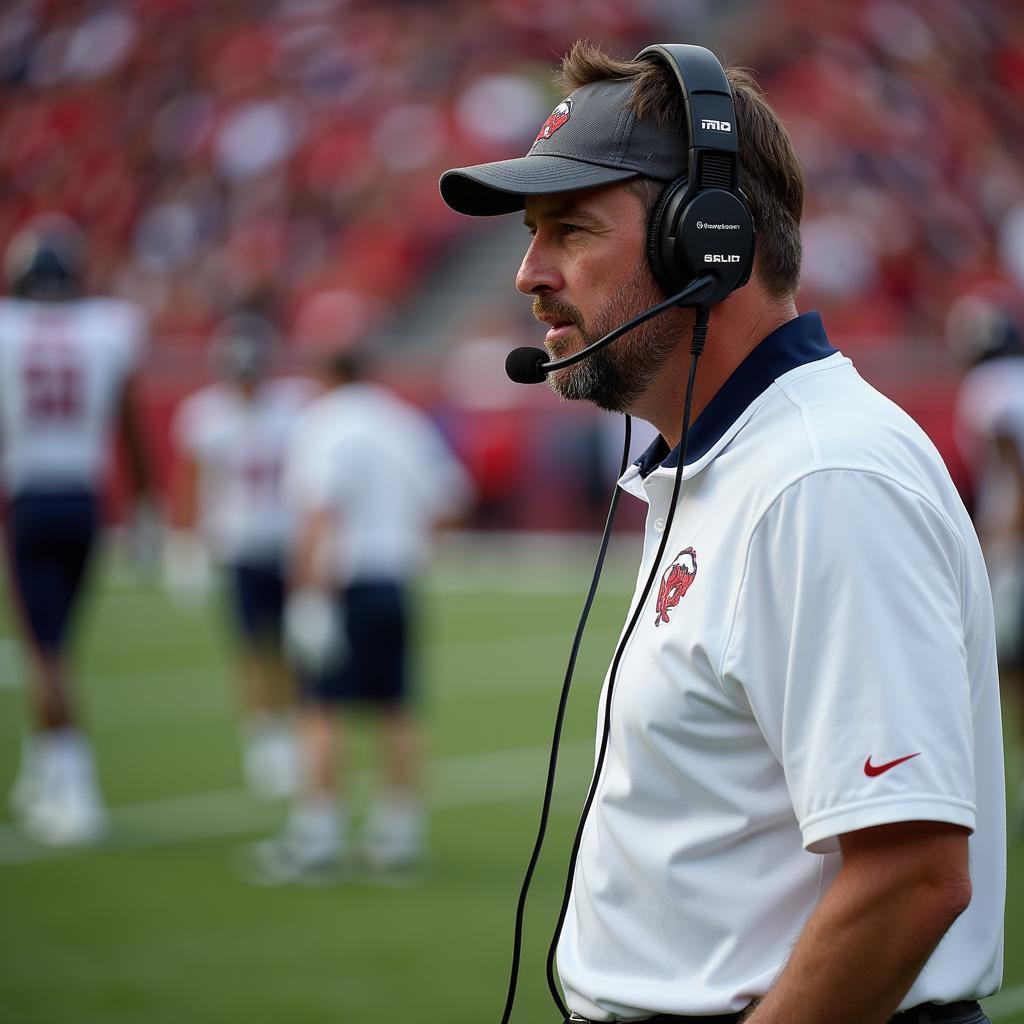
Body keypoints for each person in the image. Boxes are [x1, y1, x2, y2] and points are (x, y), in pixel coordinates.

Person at [439, 40, 1004, 1024]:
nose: (529, 274)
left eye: (569, 229)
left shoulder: (823, 479)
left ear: (706, 241)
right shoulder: (743, 461)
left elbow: (911, 876)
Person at [243, 344, 474, 884]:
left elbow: (321, 511)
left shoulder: (323, 423)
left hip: (343, 582)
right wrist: (409, 548)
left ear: (327, 374)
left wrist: (307, 595)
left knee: (320, 708)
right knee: (397, 706)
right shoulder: (402, 420)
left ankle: (318, 834)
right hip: (394, 578)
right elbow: (451, 498)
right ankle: (399, 834)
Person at [0, 214, 153, 846]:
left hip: (32, 496)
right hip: (87, 499)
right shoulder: (109, 327)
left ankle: (77, 785)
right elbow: (130, 424)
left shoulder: (7, 331)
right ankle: (41, 773)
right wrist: (147, 506)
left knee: (47, 651)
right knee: (58, 644)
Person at [167, 312, 316, 799]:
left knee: (294, 647)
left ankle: (291, 734)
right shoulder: (205, 414)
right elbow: (189, 482)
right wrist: (185, 544)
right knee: (253, 649)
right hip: (238, 546)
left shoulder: (294, 406)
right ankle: (264, 740)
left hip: (287, 544)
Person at [948, 288, 1024, 832]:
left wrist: (993, 539)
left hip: (1015, 543)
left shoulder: (989, 391)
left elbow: (1016, 478)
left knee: (995, 666)